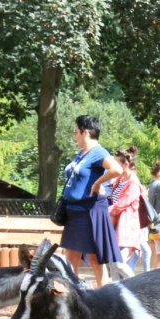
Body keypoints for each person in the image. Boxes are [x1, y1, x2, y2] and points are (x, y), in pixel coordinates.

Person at [59, 114, 122, 285]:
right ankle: (74, 299)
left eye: (76, 132)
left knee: (95, 258)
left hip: (90, 210)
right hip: (73, 211)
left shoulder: (98, 152)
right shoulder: (81, 153)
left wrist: (97, 183)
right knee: (70, 259)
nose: (74, 136)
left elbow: (116, 169)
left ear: (85, 132)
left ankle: (104, 298)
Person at [106, 146, 143, 281]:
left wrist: (105, 212)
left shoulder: (133, 183)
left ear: (125, 164)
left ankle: (138, 285)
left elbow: (122, 204)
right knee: (112, 263)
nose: (114, 166)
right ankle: (117, 294)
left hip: (127, 228)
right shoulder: (119, 180)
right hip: (116, 226)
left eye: (117, 163)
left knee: (118, 263)